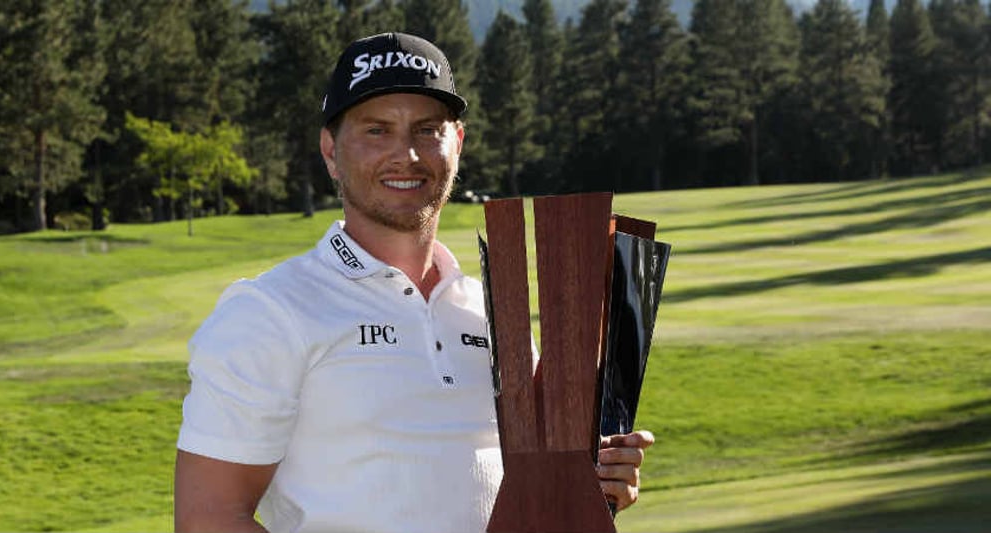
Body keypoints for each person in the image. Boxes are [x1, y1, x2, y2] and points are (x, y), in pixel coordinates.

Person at [175, 32, 655, 533]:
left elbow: (537, 493)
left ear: (458, 144)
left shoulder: (490, 311)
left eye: (428, 129)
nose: (406, 153)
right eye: (377, 131)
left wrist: (594, 485)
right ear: (331, 152)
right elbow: (208, 518)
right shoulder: (269, 311)